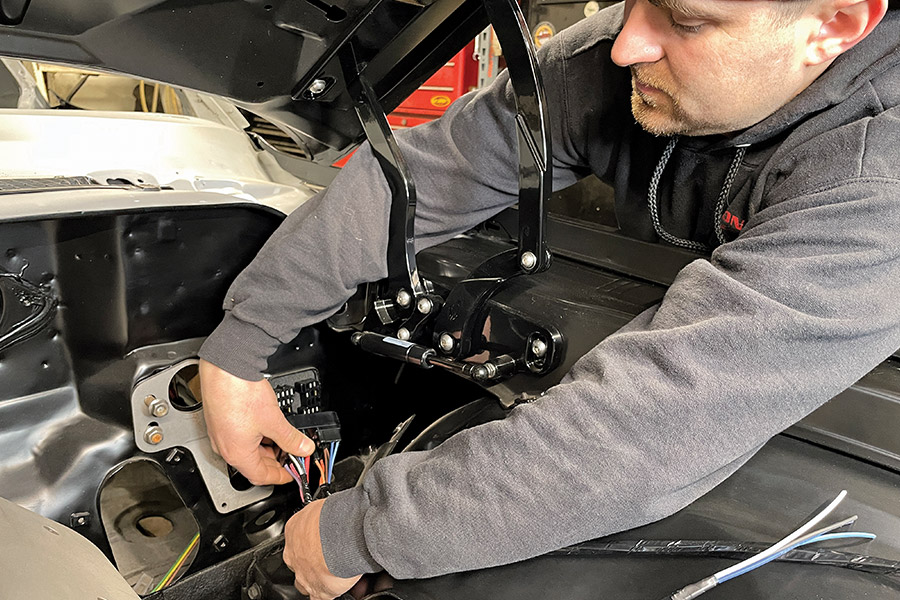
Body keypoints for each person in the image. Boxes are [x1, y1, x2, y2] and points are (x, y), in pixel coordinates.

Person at [198, 0, 900, 598]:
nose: (627, 43)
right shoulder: (617, 56)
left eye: (685, 20)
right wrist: (241, 347)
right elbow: (417, 182)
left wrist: (360, 531)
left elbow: (646, 432)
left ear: (833, 25)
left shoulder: (877, 180)